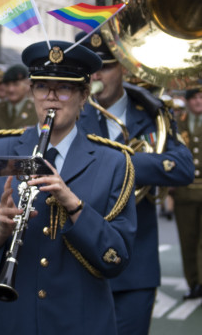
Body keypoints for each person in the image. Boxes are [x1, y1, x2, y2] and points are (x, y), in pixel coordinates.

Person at [0, 40, 137, 335]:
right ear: (32, 93)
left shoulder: (114, 162)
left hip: (80, 321)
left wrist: (74, 205)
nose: (51, 99)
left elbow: (116, 259)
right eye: (42, 88)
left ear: (83, 96)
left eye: (63, 89)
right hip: (10, 320)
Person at [76, 31, 195, 335]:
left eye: (105, 67)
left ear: (124, 68)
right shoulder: (72, 114)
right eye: (89, 69)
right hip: (80, 259)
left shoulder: (152, 111)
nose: (96, 76)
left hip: (136, 264)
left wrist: (115, 165)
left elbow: (182, 168)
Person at [174, 86, 202, 299]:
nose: (198, 101)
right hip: (184, 192)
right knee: (187, 240)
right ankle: (193, 283)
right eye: (194, 98)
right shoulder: (177, 122)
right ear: (187, 101)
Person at [0, 63, 38, 133]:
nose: (11, 89)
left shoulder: (37, 110)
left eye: (16, 84)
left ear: (27, 85)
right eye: (7, 85)